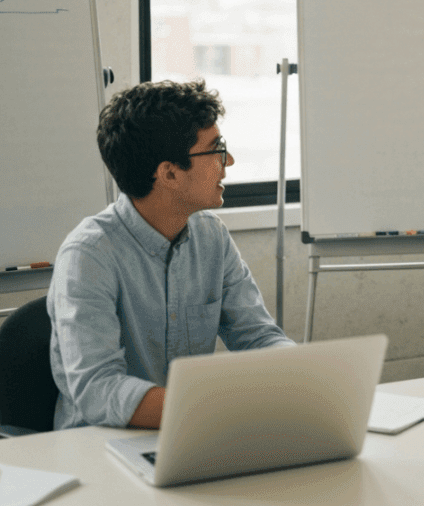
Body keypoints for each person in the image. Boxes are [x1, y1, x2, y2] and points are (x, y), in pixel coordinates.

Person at [47, 80, 294, 429]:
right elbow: (98, 389)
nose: (229, 161)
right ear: (170, 173)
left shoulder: (212, 237)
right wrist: (217, 406)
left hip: (191, 428)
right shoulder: (88, 256)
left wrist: (303, 375)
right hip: (103, 443)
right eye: (216, 150)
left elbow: (258, 337)